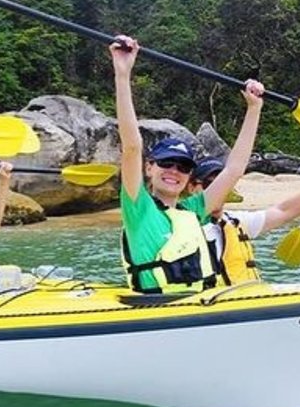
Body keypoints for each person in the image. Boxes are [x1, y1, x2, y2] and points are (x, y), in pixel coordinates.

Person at [112, 36, 264, 295]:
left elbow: (234, 169)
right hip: (159, 311)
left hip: (201, 305)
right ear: (150, 168)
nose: (174, 171)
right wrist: (122, 75)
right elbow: (132, 147)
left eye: (183, 167)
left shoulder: (194, 210)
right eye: (166, 163)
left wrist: (254, 108)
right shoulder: (138, 206)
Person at [186, 156, 300, 285]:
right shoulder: (181, 226)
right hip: (218, 305)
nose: (218, 190)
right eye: (209, 184)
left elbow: (285, 211)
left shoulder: (235, 221)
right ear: (192, 188)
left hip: (252, 299)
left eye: (222, 183)